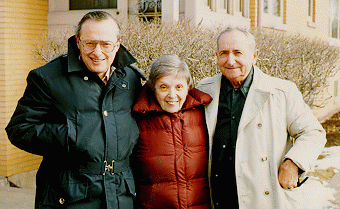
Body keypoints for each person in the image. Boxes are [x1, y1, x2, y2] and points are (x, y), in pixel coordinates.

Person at [6, 11, 145, 208]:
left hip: (121, 195)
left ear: (117, 45)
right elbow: (19, 129)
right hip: (69, 198)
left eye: (105, 44)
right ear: (78, 42)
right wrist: (72, 134)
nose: (97, 52)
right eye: (90, 43)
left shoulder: (130, 79)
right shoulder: (48, 78)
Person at [196, 28, 327, 208]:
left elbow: (313, 132)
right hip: (218, 197)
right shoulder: (204, 90)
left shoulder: (281, 92)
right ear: (217, 55)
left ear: (254, 55)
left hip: (263, 199)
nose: (230, 60)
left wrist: (294, 162)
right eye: (224, 53)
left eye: (238, 53)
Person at [132, 54, 212, 208]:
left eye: (179, 87)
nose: (172, 95)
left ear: (188, 87)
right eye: (163, 87)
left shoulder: (205, 115)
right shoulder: (138, 121)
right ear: (152, 87)